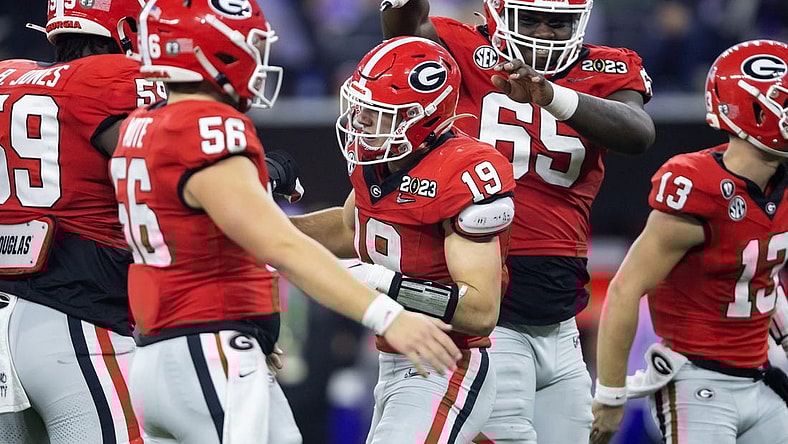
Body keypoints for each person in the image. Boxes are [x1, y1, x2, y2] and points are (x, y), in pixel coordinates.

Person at [113, 1, 463, 443]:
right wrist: (388, 315)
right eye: (252, 44)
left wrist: (253, 322)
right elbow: (281, 245)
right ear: (215, 50)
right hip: (208, 349)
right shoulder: (208, 125)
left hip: (161, 353)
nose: (258, 58)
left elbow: (209, 242)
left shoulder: (140, 126)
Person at [380, 0, 656, 442]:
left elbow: (639, 132)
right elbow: (403, 28)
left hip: (561, 317)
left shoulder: (607, 67)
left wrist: (552, 96)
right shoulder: (459, 45)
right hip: (492, 314)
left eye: (557, 22)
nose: (544, 32)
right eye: (529, 18)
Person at [290, 35, 515, 443]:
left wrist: (386, 284)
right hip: (390, 357)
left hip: (448, 362)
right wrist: (272, 232)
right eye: (361, 110)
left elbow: (481, 311)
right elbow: (349, 229)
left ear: (424, 118)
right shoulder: (379, 161)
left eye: (378, 115)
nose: (361, 125)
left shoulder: (464, 173)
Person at [591, 39, 788, 444]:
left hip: (764, 375)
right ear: (753, 110)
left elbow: (760, 273)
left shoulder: (780, 185)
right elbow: (626, 289)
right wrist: (610, 395)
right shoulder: (700, 186)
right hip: (698, 383)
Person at [0, 1, 164, 442]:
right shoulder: (110, 77)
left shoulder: (6, 74)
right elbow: (174, 173)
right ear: (129, 24)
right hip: (78, 325)